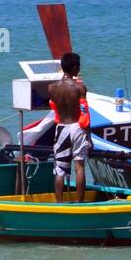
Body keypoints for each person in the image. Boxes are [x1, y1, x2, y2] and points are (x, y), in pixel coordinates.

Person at [49, 51, 90, 202]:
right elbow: (85, 114)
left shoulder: (52, 88)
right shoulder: (80, 88)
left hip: (61, 127)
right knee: (79, 166)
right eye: (78, 67)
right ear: (74, 68)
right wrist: (89, 136)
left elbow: (54, 108)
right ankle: (79, 203)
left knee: (59, 169)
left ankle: (59, 203)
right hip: (77, 126)